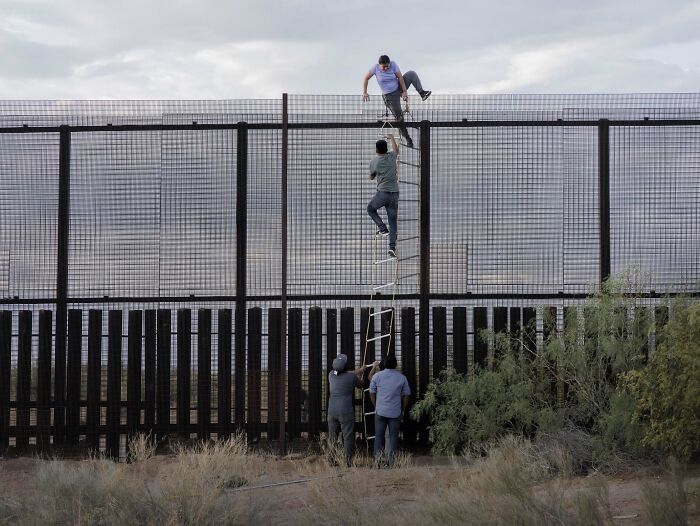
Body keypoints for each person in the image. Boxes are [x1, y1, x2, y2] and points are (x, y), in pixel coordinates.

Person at [362, 54, 431, 148]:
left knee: (411, 73)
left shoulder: (393, 64)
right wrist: (365, 92)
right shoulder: (375, 68)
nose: (386, 68)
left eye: (387, 66)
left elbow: (400, 78)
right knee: (399, 118)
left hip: (398, 87)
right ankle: (408, 139)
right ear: (379, 65)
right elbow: (366, 78)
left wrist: (405, 92)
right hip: (389, 96)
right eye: (384, 67)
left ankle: (422, 93)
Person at [327, 353, 375, 466]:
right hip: (345, 411)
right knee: (348, 437)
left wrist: (359, 370)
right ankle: (347, 462)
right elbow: (361, 384)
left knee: (332, 436)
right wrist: (362, 371)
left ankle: (331, 460)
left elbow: (345, 373)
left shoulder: (331, 375)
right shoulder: (351, 377)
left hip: (332, 411)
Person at [368, 354, 411, 466]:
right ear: (396, 365)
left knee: (378, 436)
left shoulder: (377, 376)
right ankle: (391, 462)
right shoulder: (402, 377)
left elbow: (371, 391)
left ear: (384, 364)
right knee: (393, 437)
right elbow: (406, 395)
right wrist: (403, 409)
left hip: (380, 411)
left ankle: (377, 461)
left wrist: (375, 405)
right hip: (395, 412)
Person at [367, 134, 399, 258]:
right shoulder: (391, 157)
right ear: (386, 149)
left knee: (370, 209)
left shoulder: (374, 162)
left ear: (376, 150)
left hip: (383, 193)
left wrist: (374, 174)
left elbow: (371, 177)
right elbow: (396, 150)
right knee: (393, 222)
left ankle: (382, 228)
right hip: (394, 194)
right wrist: (391, 137)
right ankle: (392, 247)